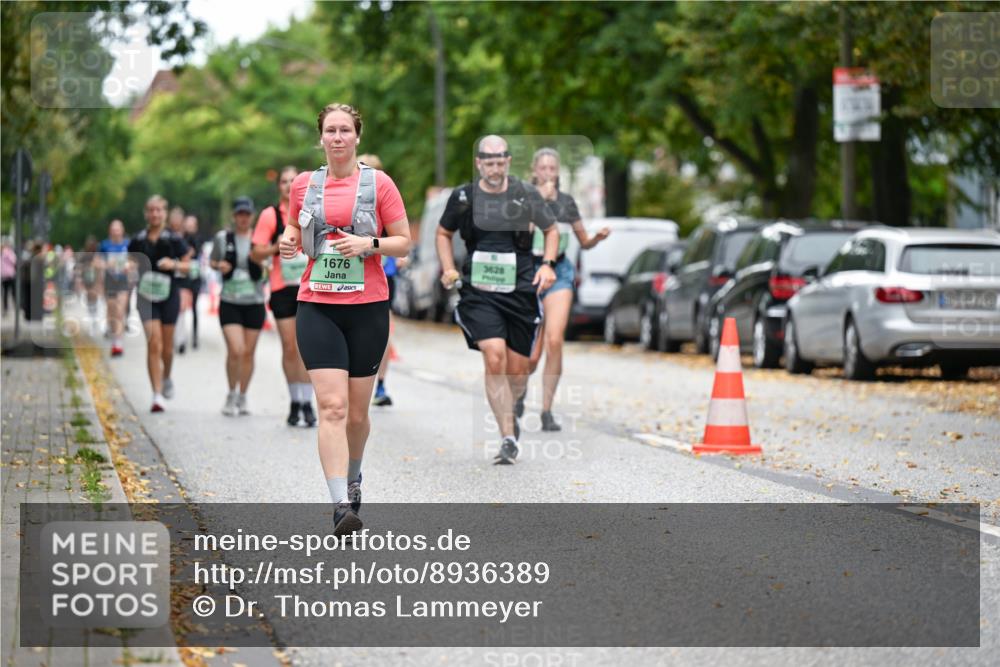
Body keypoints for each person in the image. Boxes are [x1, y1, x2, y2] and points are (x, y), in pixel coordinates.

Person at [278, 103, 410, 535]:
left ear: (357, 137)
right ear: (321, 138)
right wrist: (288, 242)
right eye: (330, 130)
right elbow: (295, 232)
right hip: (317, 304)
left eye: (344, 130)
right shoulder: (304, 185)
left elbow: (403, 242)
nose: (337, 137)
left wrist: (368, 243)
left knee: (356, 413)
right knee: (331, 407)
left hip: (368, 307)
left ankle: (354, 477)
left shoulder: (380, 184)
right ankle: (339, 504)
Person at [436, 135, 559, 464]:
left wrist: (547, 266)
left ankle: (513, 407)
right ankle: (507, 435)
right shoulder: (464, 196)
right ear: (479, 163)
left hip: (519, 290)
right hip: (479, 292)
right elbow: (443, 233)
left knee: (520, 369)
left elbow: (551, 230)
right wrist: (448, 268)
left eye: (500, 160)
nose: (494, 166)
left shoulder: (525, 194)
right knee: (494, 357)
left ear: (507, 162)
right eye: (487, 161)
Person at [521, 147, 611, 430]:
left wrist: (596, 238)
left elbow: (583, 241)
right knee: (531, 355)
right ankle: (518, 394)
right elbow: (517, 235)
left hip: (559, 271)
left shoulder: (567, 202)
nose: (548, 173)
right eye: (543, 168)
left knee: (555, 341)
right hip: (529, 272)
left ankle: (546, 411)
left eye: (553, 169)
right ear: (535, 171)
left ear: (558, 172)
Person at [251, 166, 317, 427]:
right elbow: (256, 253)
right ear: (278, 186)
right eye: (284, 181)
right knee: (290, 347)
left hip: (311, 287)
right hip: (282, 288)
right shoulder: (270, 215)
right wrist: (275, 247)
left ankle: (307, 401)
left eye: (294, 181)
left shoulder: (313, 211)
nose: (289, 186)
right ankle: (294, 401)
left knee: (308, 348)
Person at [128, 195, 190, 412]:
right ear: (146, 213)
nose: (155, 214)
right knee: (154, 344)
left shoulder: (174, 239)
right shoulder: (138, 239)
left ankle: (167, 376)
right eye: (151, 210)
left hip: (169, 296)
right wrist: (129, 269)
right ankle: (156, 395)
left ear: (164, 213)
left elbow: (188, 266)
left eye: (159, 210)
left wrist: (172, 264)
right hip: (146, 296)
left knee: (167, 348)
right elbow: (130, 262)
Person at [357, 153, 407, 408]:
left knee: (382, 331)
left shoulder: (384, 197)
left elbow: (400, 237)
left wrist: (398, 257)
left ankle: (381, 384)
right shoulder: (352, 197)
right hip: (354, 273)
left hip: (381, 274)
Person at [211, 197, 269, 416]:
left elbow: (270, 263)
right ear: (234, 216)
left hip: (254, 301)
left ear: (252, 216)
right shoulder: (223, 238)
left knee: (248, 353)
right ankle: (231, 392)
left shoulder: (260, 238)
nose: (243, 218)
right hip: (230, 301)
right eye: (239, 214)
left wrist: (263, 265)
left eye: (247, 214)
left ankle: (243, 395)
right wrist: (219, 265)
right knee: (236, 350)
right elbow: (212, 261)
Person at [99, 220, 131, 357]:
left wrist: (129, 265)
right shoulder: (104, 245)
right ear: (110, 231)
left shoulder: (128, 244)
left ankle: (118, 344)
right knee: (112, 311)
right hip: (109, 281)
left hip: (123, 281)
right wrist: (107, 264)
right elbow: (96, 261)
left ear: (122, 230)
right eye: (113, 229)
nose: (116, 231)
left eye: (118, 229)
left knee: (120, 311)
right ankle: (114, 336)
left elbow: (135, 260)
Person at [168, 206, 195, 354]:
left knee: (182, 308)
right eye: (174, 219)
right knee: (173, 308)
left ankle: (180, 340)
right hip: (171, 276)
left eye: (179, 219)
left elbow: (193, 254)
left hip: (184, 276)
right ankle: (172, 336)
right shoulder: (166, 236)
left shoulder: (187, 237)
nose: (177, 222)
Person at [182, 214, 206, 350]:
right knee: (182, 307)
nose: (190, 227)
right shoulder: (181, 238)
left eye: (192, 225)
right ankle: (181, 337)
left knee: (195, 307)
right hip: (184, 277)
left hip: (195, 277)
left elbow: (197, 252)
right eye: (188, 224)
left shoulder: (199, 238)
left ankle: (195, 336)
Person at [76, 236, 101, 320]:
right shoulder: (84, 255)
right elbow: (79, 268)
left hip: (95, 279)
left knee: (94, 296)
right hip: (87, 278)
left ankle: (94, 314)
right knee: (89, 297)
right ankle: (92, 315)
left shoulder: (97, 255)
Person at [1, 239, 15, 313]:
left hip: (4, 275)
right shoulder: (9, 252)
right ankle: (13, 306)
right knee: (12, 292)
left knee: (5, 293)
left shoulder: (2, 253)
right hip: (10, 275)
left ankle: (5, 308)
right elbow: (14, 261)